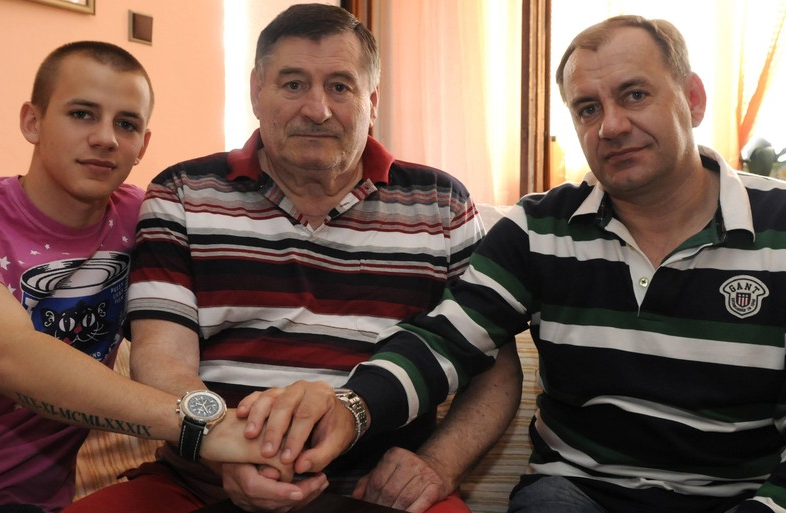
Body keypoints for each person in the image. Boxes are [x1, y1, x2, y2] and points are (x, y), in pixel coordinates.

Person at [281, 13, 786, 513]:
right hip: (576, 494)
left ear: (692, 99)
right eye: (588, 109)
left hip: (739, 499)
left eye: (635, 95)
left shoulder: (780, 226)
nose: (611, 126)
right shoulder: (539, 227)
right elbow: (447, 339)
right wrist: (352, 409)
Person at [61, 4, 522, 513]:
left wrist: (438, 464)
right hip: (204, 479)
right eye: (294, 84)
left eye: (340, 87)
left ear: (372, 100)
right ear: (257, 90)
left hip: (379, 490)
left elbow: (492, 367)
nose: (317, 110)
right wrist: (228, 455)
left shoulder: (441, 203)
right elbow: (163, 365)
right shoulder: (182, 193)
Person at [0, 41, 285, 513]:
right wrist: (204, 428)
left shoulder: (145, 219)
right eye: (82, 114)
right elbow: (7, 357)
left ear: (143, 144)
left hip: (41, 503)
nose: (106, 138)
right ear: (32, 121)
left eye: (126, 124)